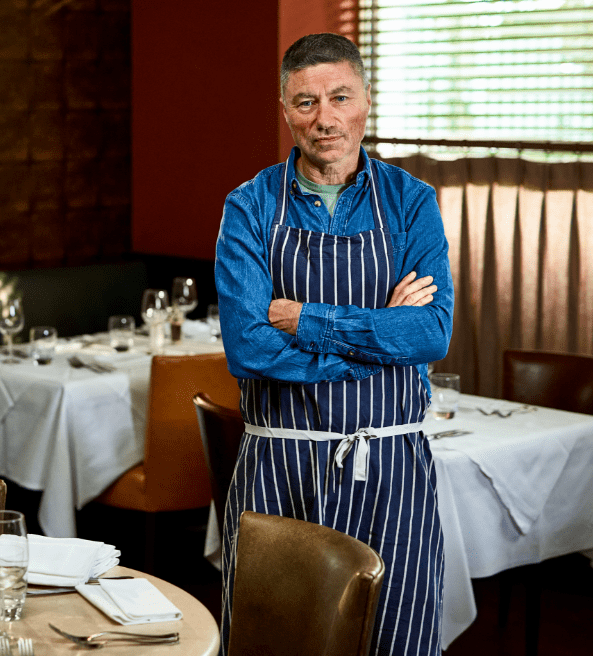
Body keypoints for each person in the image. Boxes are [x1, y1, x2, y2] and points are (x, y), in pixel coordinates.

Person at [214, 33, 454, 656]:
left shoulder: (412, 202)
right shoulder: (248, 207)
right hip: (279, 468)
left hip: (394, 470)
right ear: (285, 111)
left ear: (366, 101)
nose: (325, 118)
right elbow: (248, 348)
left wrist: (308, 320)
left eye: (339, 96)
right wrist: (378, 340)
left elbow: (431, 333)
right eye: (305, 102)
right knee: (275, 640)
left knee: (396, 637)